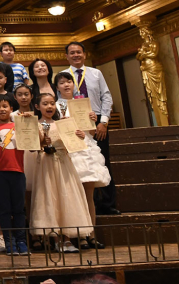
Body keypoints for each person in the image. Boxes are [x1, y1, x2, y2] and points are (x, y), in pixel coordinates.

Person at [54, 72, 111, 249]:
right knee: (71, 197)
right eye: (62, 83)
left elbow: (91, 133)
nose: (66, 85)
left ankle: (91, 234)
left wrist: (92, 120)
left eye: (68, 81)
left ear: (74, 84)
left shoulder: (84, 104)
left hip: (85, 150)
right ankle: (76, 235)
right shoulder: (55, 106)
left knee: (89, 196)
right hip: (68, 152)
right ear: (57, 87)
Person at [32, 91, 92, 253]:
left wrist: (79, 135)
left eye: (52, 103)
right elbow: (32, 147)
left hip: (64, 164)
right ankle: (55, 239)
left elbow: (73, 143)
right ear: (38, 107)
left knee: (66, 198)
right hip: (47, 164)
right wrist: (43, 141)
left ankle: (67, 239)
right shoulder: (35, 124)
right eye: (45, 104)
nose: (49, 106)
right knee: (50, 198)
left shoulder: (64, 123)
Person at [65, 41, 118, 215]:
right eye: (72, 53)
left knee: (103, 161)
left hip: (96, 121)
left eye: (78, 52)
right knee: (83, 163)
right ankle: (90, 204)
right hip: (75, 123)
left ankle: (108, 204)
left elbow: (107, 97)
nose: (75, 55)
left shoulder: (96, 73)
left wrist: (103, 121)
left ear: (85, 54)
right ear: (67, 56)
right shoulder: (64, 76)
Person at [0, 94, 28, 256]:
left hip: (18, 170)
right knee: (3, 210)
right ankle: (9, 242)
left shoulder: (18, 124)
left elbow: (32, 143)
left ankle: (21, 241)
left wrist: (28, 123)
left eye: (5, 106)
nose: (2, 109)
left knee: (19, 209)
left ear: (12, 108)